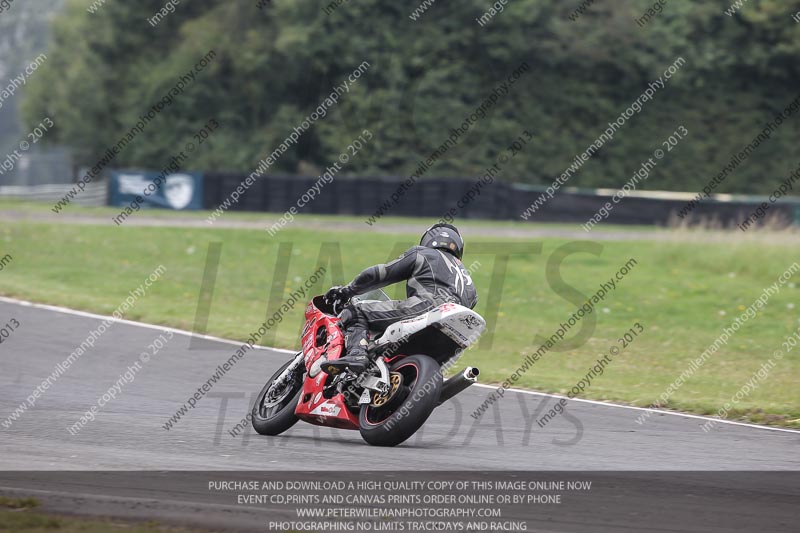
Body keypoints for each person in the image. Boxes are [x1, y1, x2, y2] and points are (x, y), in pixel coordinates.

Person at [320, 223, 477, 374]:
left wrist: (347, 291)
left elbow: (380, 274)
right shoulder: (470, 283)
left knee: (355, 311)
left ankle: (356, 354)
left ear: (428, 239)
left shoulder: (423, 253)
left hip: (428, 308)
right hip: (457, 331)